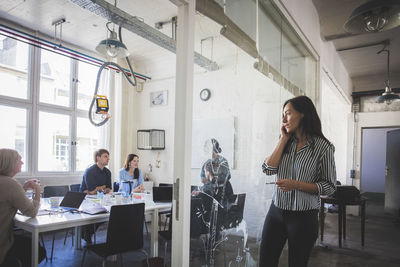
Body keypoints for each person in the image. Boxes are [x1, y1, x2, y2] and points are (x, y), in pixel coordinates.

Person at [260, 96, 336, 267]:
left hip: (304, 217)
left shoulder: (323, 147)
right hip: (276, 212)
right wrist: (283, 139)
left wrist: (297, 185)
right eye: (282, 115)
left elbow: (330, 187)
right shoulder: (285, 141)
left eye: (287, 113)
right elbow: (267, 169)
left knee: (297, 263)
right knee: (265, 262)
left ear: (303, 114)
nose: (283, 119)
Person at [0, 149, 46, 267]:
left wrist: (23, 189)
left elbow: (8, 200)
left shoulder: (7, 183)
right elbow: (31, 212)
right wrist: (38, 190)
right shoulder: (11, 184)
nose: (22, 163)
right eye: (19, 160)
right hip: (3, 240)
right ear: (11, 163)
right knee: (38, 251)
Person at [80, 148, 112, 244]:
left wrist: (99, 189)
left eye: (108, 156)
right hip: (85, 199)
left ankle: (86, 233)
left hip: (99, 199)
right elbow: (91, 191)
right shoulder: (89, 171)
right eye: (105, 156)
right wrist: (101, 188)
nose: (108, 159)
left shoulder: (107, 172)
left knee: (106, 213)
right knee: (99, 213)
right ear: (98, 158)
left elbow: (108, 189)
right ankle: (86, 233)